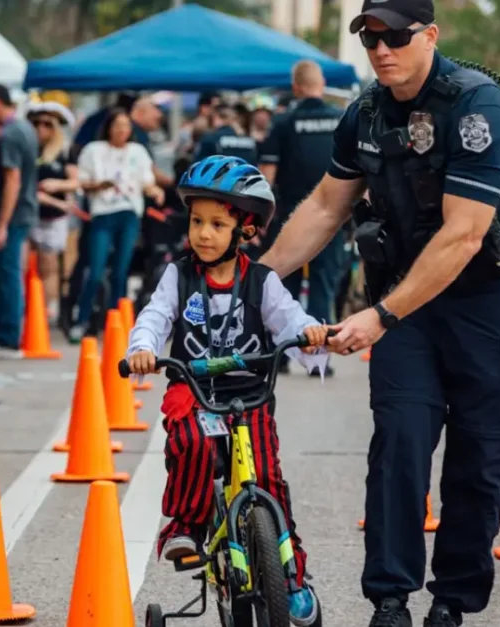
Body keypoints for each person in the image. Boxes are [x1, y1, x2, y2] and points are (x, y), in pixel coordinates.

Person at [259, 0, 500, 623]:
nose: (381, 49)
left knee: (482, 462)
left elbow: (464, 234)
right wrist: (254, 279)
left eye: (395, 35)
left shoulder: (478, 107)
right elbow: (325, 208)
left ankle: (451, 603)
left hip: (487, 305)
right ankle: (390, 600)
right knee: (400, 447)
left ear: (431, 36)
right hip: (408, 310)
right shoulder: (364, 112)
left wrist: (379, 317)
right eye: (369, 37)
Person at [125, 155, 328, 626]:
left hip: (249, 392)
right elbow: (155, 316)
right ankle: (187, 527)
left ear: (247, 231)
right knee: (191, 442)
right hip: (193, 388)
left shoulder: (263, 281)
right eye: (197, 221)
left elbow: (289, 321)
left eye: (218, 224)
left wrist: (311, 336)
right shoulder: (180, 276)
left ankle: (292, 577)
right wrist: (143, 348)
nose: (203, 233)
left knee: (270, 482)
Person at [259, 59, 347, 376]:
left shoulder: (283, 124)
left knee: (284, 288)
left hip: (289, 219)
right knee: (323, 288)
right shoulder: (340, 120)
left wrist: (259, 221)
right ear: (320, 85)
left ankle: (281, 356)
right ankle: (318, 357)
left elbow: (266, 179)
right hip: (331, 218)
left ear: (296, 88)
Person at [69, 108, 165, 342]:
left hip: (129, 214)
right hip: (102, 214)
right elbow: (81, 182)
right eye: (117, 125)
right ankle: (81, 320)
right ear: (108, 128)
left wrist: (156, 191)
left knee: (122, 271)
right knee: (96, 268)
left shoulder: (138, 151)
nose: (122, 130)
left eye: (125, 125)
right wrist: (98, 186)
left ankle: (117, 322)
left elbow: (147, 182)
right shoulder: (94, 150)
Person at [0, 84, 40, 360]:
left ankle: (7, 337)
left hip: (12, 215)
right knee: (10, 274)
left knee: (8, 276)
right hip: (22, 212)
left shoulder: (11, 134)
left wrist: (1, 224)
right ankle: (4, 332)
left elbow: (12, 180)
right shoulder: (26, 129)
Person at [27, 101, 82, 325]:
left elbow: (76, 182)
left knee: (49, 263)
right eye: (37, 123)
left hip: (53, 216)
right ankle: (30, 307)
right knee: (28, 263)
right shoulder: (28, 147)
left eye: (47, 124)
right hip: (30, 213)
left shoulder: (64, 151)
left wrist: (56, 186)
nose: (41, 128)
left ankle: (47, 309)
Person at [193, 104, 258, 164]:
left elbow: (198, 165)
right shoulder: (249, 140)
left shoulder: (210, 138)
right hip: (244, 175)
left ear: (216, 117)